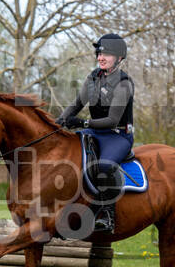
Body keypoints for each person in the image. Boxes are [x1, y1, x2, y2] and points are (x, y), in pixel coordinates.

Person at [55, 33, 134, 233]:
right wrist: (57, 123)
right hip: (94, 132)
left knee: (104, 166)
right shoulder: (93, 77)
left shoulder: (124, 83)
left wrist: (82, 122)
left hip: (117, 135)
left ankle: (106, 215)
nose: (100, 57)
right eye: (99, 53)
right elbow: (76, 104)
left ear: (119, 58)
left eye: (106, 54)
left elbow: (112, 120)